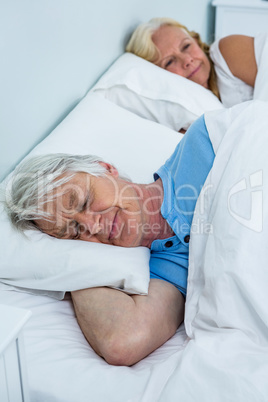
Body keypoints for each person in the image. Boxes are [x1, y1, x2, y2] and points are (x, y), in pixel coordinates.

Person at [5, 114, 215, 366]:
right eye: (74, 231)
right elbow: (122, 342)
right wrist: (70, 260)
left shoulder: (203, 142)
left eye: (84, 201)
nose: (92, 225)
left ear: (105, 168)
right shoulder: (161, 274)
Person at [125, 17, 259, 107]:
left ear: (196, 41)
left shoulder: (228, 50)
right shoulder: (183, 113)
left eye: (186, 46)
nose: (187, 60)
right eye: (170, 62)